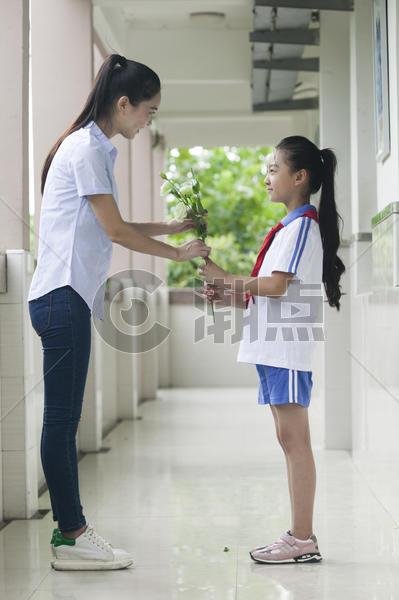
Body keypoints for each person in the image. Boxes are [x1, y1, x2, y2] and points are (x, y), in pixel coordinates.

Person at [28, 54, 210, 571]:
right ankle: (72, 536)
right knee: (62, 423)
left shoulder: (96, 148)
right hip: (61, 297)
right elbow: (114, 232)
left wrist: (173, 230)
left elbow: (114, 221)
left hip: (66, 297)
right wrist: (177, 255)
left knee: (63, 422)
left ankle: (72, 535)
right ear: (123, 103)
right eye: (148, 111)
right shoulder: (86, 147)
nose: (149, 120)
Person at [199, 135, 345, 564]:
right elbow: (273, 289)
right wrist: (227, 293)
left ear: (299, 178)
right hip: (272, 350)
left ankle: (303, 539)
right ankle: (298, 535)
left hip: (287, 351)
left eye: (272, 169)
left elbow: (279, 286)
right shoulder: (288, 229)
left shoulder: (302, 227)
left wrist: (228, 279)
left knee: (295, 441)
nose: (266, 178)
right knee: (288, 439)